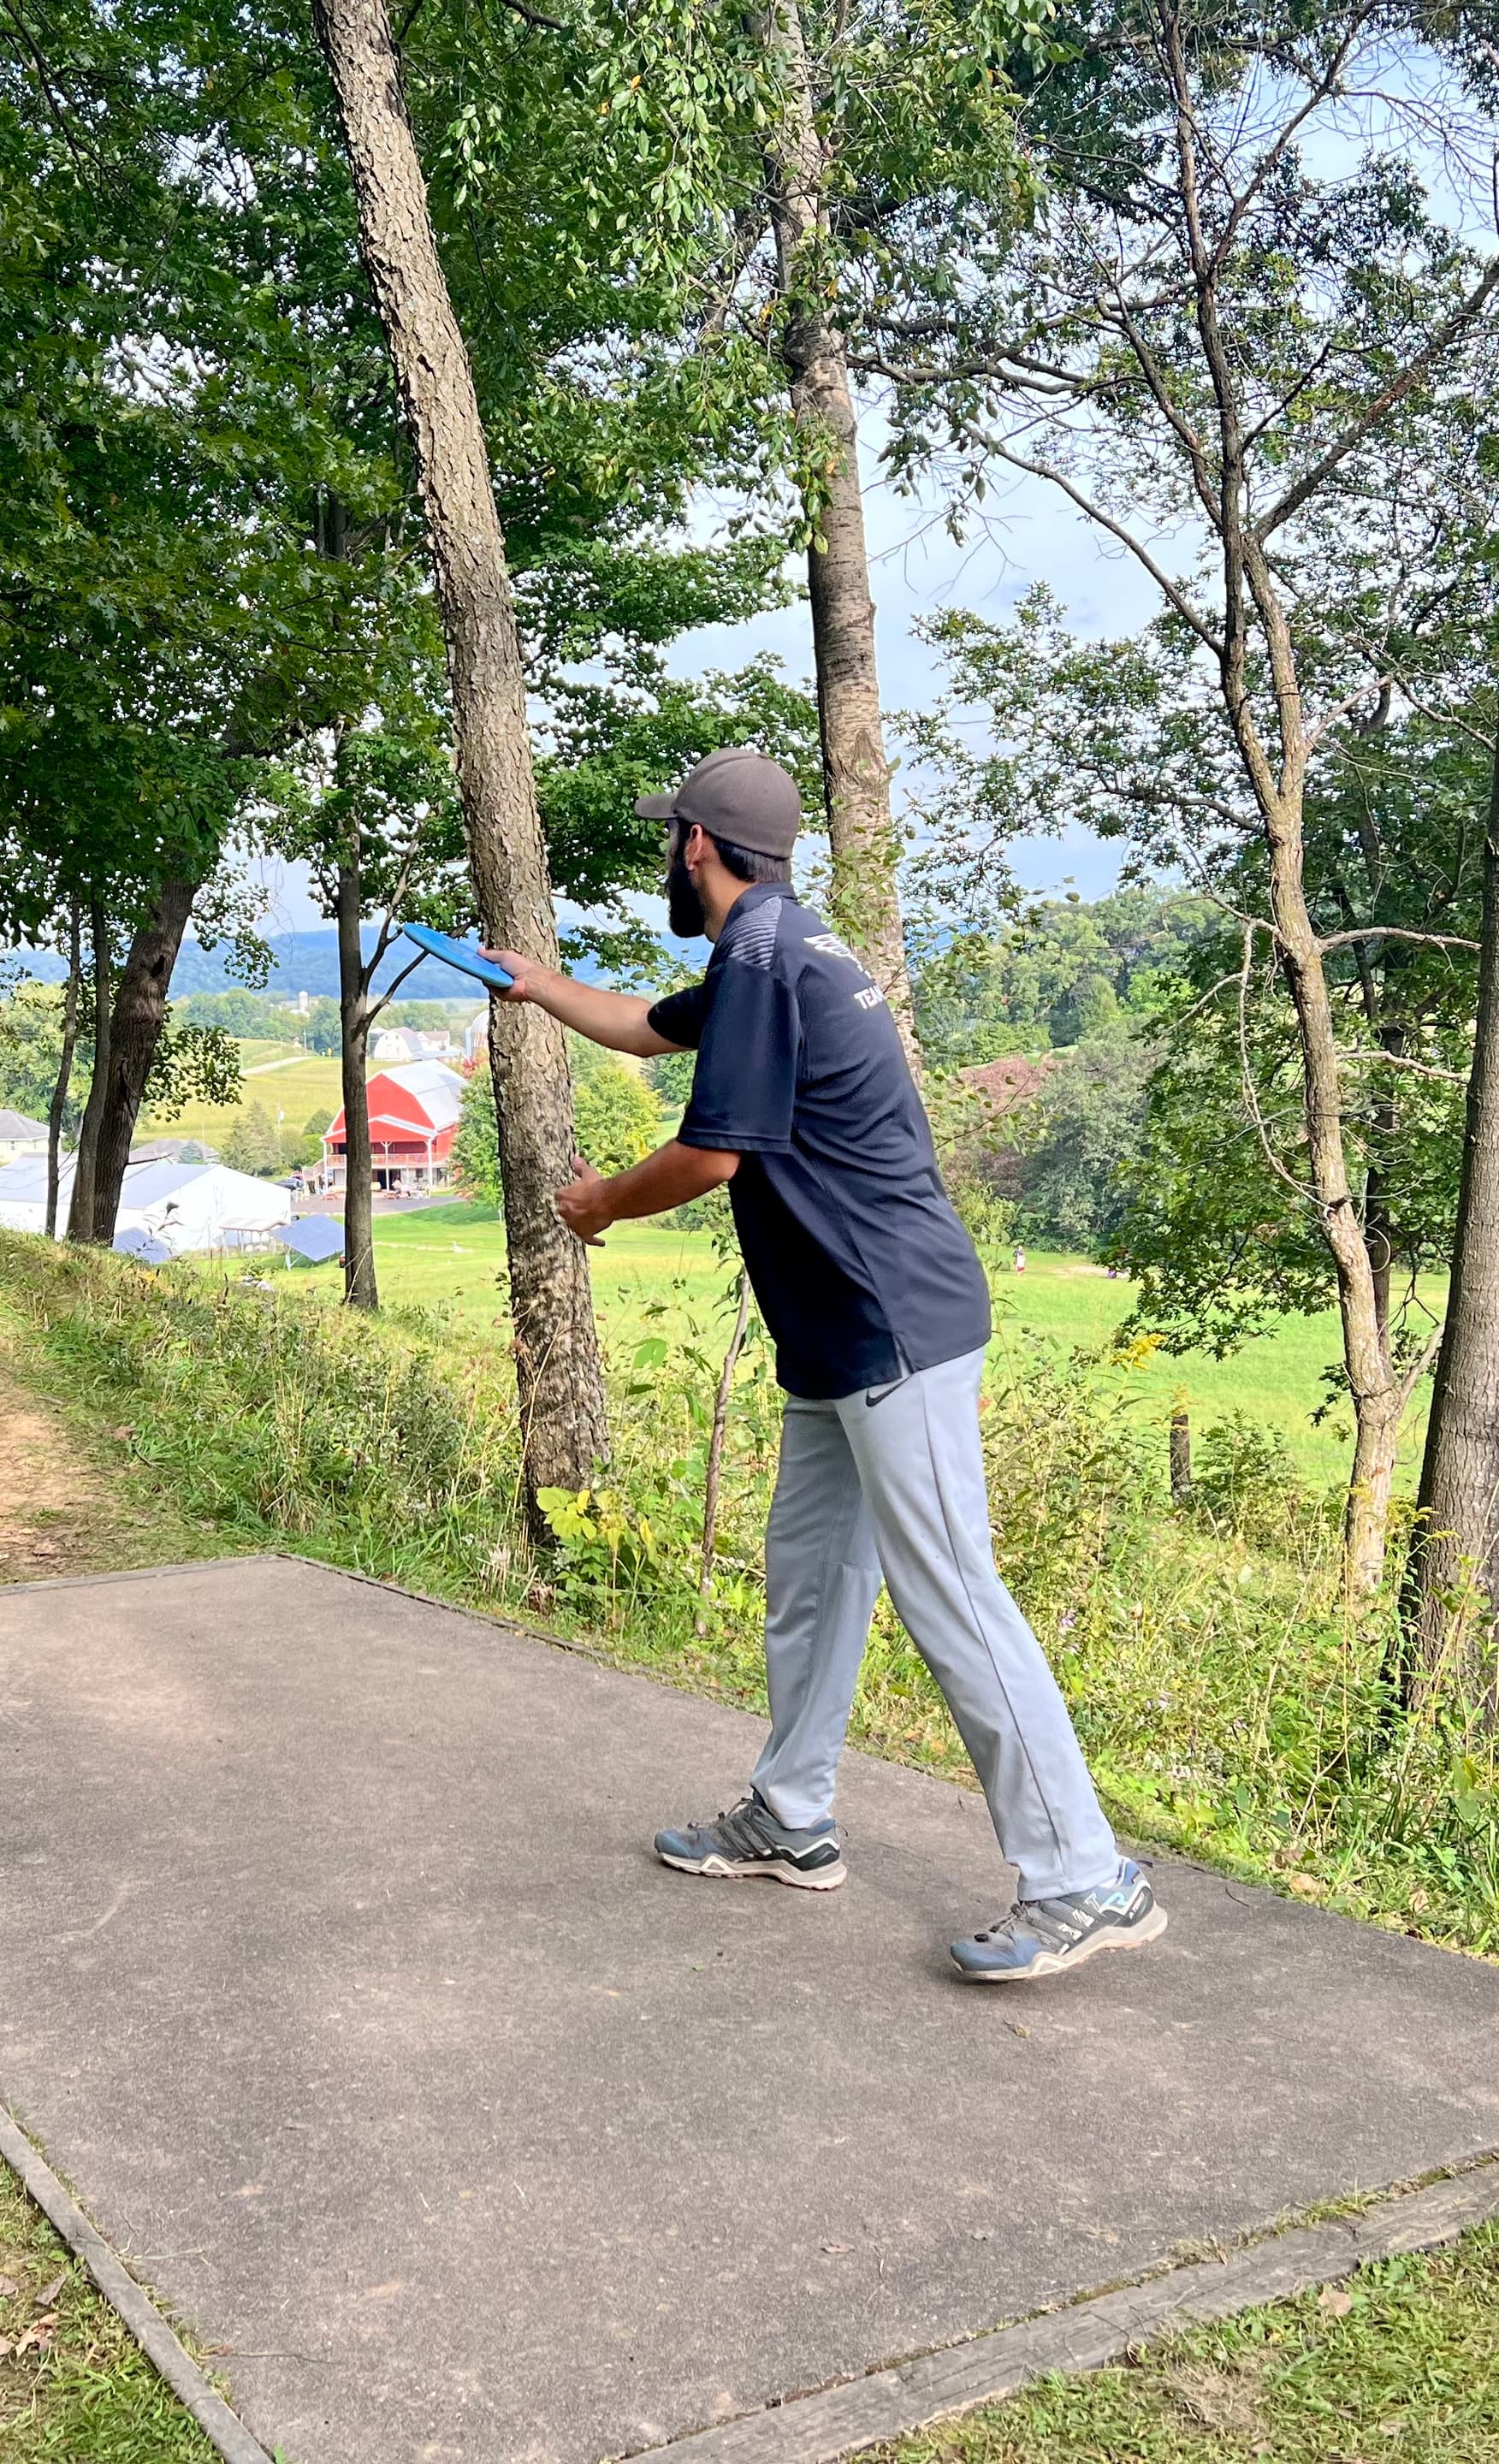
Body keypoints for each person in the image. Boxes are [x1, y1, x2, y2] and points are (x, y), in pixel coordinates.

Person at [482, 745, 1163, 1983]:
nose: (666, 857)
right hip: (836, 1336)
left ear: (696, 845)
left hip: (892, 1327)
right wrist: (537, 986)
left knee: (953, 1592)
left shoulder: (760, 962)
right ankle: (792, 1818)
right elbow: (643, 1027)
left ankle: (1083, 1877)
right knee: (809, 1579)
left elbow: (709, 1156)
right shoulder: (779, 949)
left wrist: (597, 1208)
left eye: (668, 839)